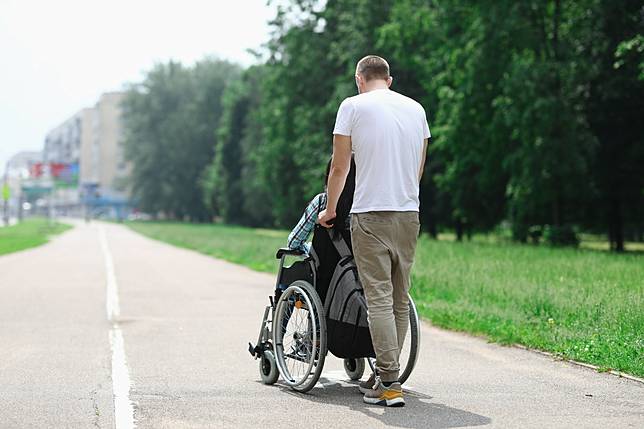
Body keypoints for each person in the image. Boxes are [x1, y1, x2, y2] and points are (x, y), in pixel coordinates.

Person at [319, 55, 430, 407]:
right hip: (408, 214)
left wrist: (331, 208)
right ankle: (386, 377)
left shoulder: (352, 106)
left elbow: (340, 167)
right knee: (399, 299)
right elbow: (418, 169)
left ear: (359, 79)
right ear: (390, 80)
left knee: (378, 299)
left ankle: (389, 381)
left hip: (370, 214)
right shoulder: (417, 110)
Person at [287, 157, 356, 302]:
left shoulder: (321, 202)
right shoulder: (367, 207)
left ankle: (281, 323)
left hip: (322, 281)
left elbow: (293, 242)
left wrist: (309, 248)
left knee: (291, 273)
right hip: (360, 282)